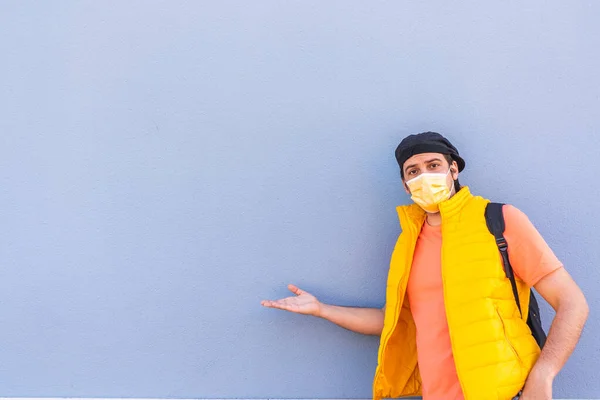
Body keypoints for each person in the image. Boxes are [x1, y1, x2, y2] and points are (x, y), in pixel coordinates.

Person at [261, 132, 589, 400]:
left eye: (433, 165)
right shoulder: (410, 242)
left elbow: (572, 303)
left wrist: (544, 375)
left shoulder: (499, 220)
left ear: (453, 170)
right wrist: (321, 309)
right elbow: (397, 320)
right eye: (413, 171)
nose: (424, 176)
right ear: (406, 186)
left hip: (507, 391)